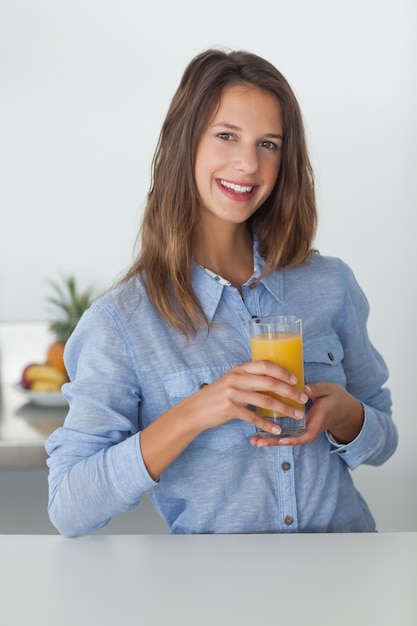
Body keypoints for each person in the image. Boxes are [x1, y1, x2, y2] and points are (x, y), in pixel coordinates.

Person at [45, 48, 398, 537]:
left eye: (269, 144)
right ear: (183, 143)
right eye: (227, 136)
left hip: (344, 576)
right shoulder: (121, 323)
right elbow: (68, 506)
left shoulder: (329, 283)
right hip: (214, 595)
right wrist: (195, 411)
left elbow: (383, 439)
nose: (248, 164)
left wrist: (347, 415)